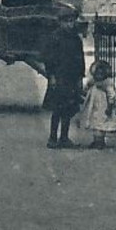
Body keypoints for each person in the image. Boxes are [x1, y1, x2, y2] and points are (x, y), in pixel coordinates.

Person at [42, 10, 85, 149]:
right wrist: (52, 76)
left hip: (72, 77)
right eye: (66, 22)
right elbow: (48, 59)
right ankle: (53, 137)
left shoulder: (76, 39)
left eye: (72, 21)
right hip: (59, 77)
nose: (69, 25)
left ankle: (64, 137)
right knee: (57, 109)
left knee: (68, 109)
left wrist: (80, 76)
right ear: (60, 22)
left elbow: (80, 59)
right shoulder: (54, 38)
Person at [80, 60, 116, 150]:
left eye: (101, 74)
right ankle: (97, 141)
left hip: (103, 107)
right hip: (93, 107)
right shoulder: (92, 83)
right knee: (94, 123)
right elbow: (85, 90)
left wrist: (110, 106)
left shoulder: (107, 85)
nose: (99, 76)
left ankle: (100, 141)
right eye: (97, 73)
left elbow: (111, 96)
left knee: (101, 124)